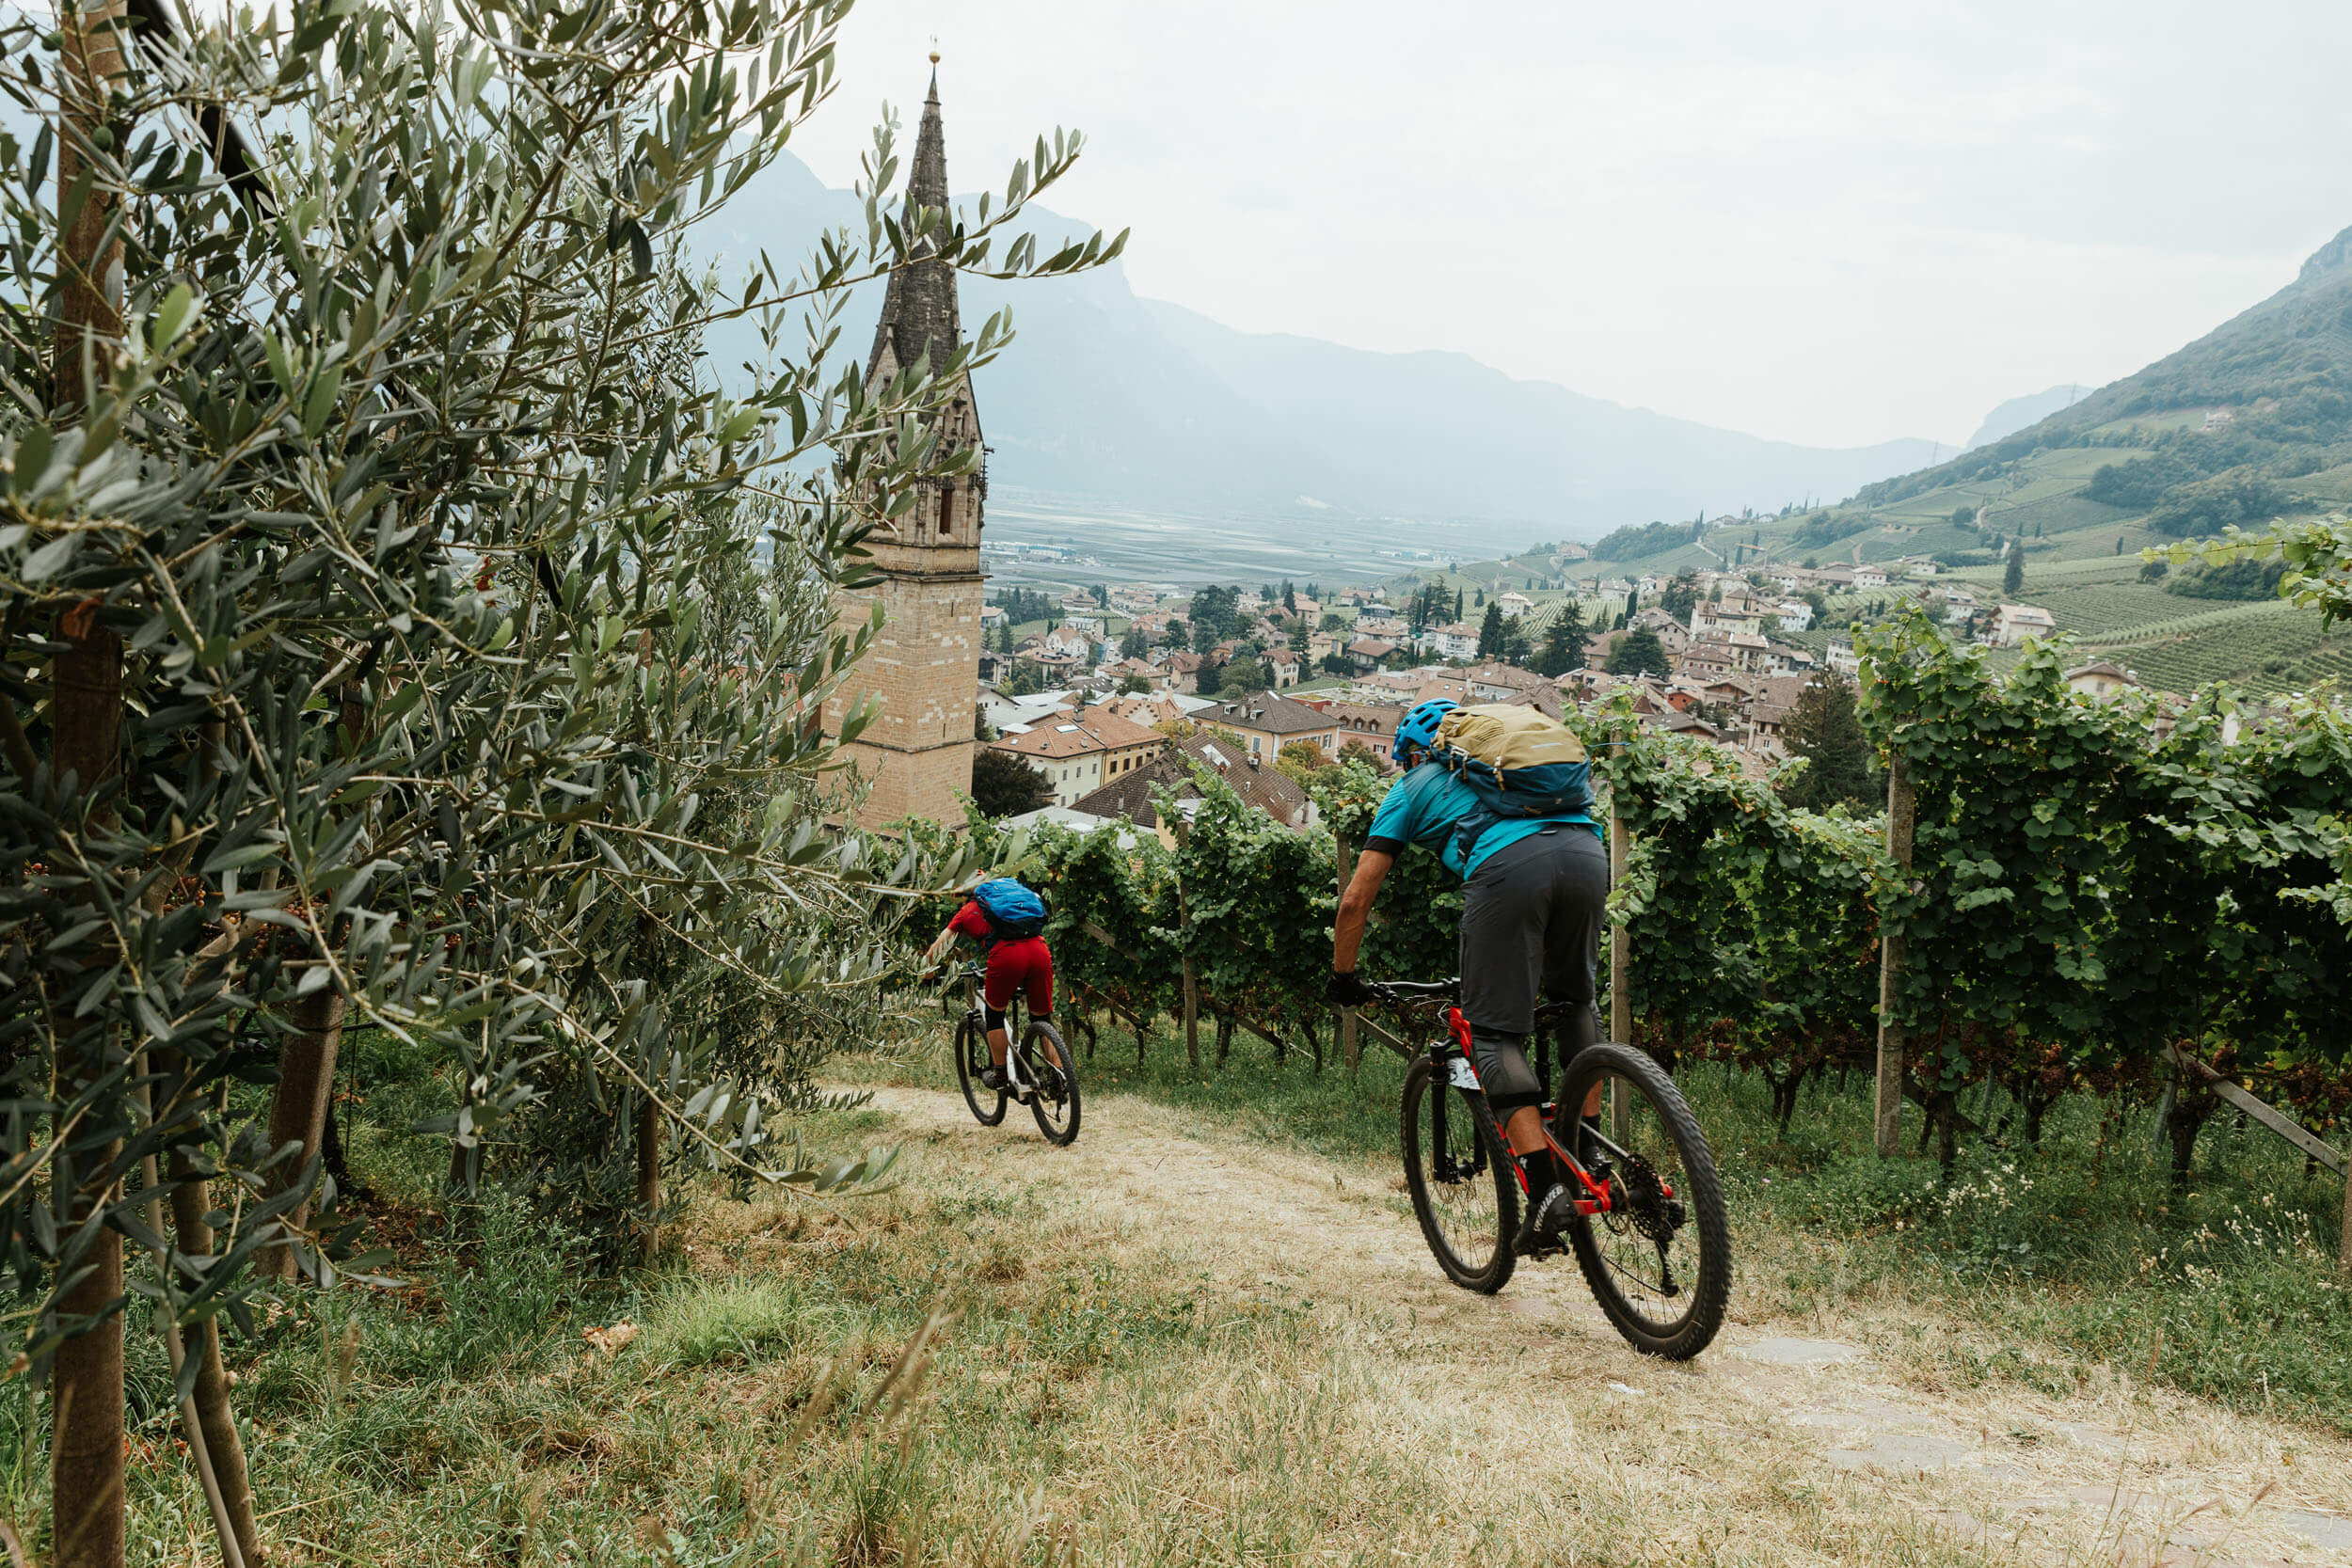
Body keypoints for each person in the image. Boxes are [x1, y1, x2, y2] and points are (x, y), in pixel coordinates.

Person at [1326, 699, 1608, 1256]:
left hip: (1509, 871)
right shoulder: (1507, 774)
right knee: (1575, 1000)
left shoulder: (1408, 789)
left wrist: (1344, 976)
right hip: (1587, 853)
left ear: (1410, 752)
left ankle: (1547, 1189)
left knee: (1493, 1033)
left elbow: (1356, 900)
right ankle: (1592, 1148)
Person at [923, 880, 1057, 1094]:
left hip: (1007, 956)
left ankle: (1001, 1075)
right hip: (1040, 950)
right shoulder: (1009, 897)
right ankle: (1059, 1076)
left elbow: (935, 952)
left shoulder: (966, 912)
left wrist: (928, 976)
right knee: (1042, 1019)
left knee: (994, 1015)